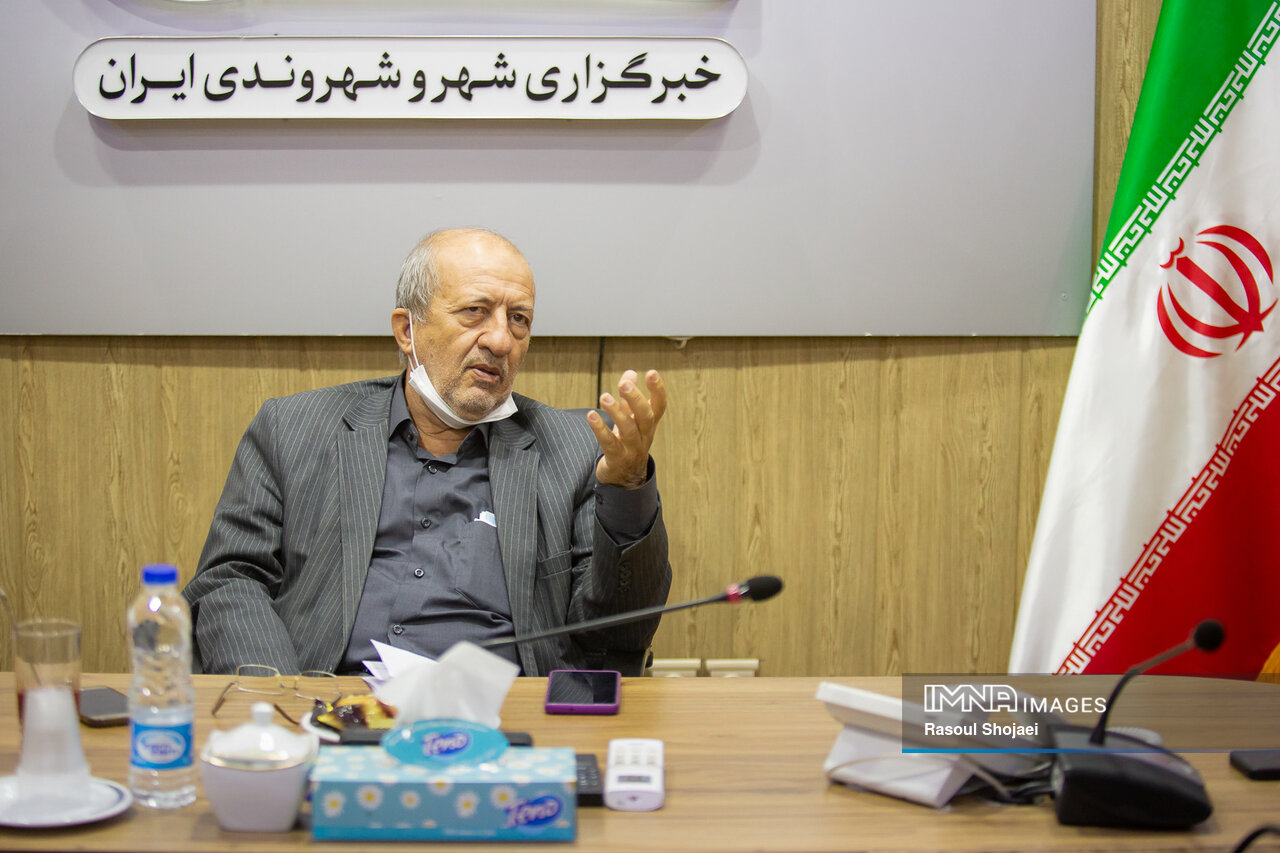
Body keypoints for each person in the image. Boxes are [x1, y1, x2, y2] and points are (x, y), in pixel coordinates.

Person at [182, 228, 671, 676]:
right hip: (331, 707)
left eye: (518, 319)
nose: (501, 339)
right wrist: (281, 700)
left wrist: (627, 490)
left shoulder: (574, 450)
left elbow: (619, 634)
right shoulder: (293, 429)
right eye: (474, 311)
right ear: (406, 330)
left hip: (506, 714)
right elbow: (230, 579)